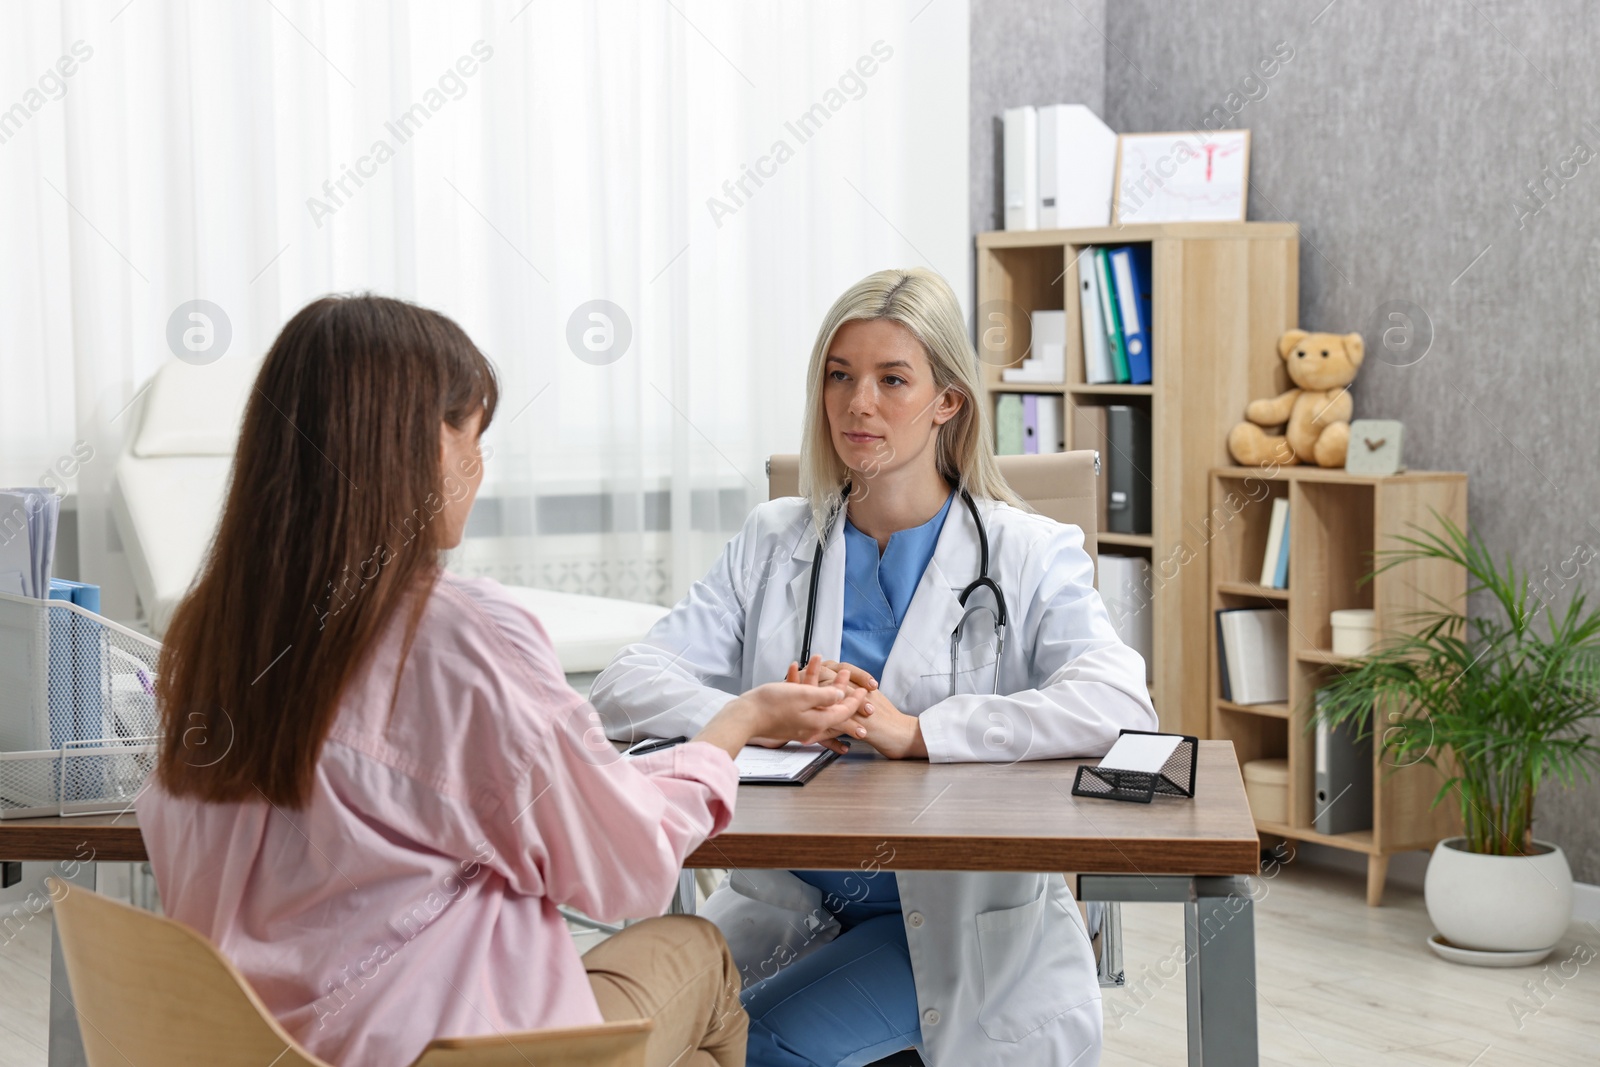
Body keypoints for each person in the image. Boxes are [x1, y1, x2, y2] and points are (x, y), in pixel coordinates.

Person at [134, 294, 870, 1067]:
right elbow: (622, 869)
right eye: (472, 433)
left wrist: (704, 735)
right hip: (441, 1051)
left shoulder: (203, 638)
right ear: (417, 445)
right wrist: (734, 728)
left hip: (245, 1044)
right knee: (699, 951)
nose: (479, 464)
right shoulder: (456, 635)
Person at [590, 267, 1159, 1067]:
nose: (859, 403)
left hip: (955, 927)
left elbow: (1119, 702)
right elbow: (626, 685)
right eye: (840, 375)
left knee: (754, 1047)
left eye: (893, 379)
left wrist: (920, 730)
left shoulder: (1029, 551)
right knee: (632, 1041)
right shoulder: (774, 538)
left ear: (947, 401)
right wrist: (760, 710)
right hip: (790, 904)